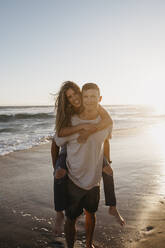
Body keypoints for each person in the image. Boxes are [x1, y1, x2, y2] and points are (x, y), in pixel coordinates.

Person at [53, 82, 125, 248]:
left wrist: (107, 161)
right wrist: (56, 167)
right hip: (74, 180)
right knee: (70, 218)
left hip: (94, 181)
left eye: (93, 97)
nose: (89, 100)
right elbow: (56, 141)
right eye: (86, 97)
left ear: (99, 99)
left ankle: (89, 245)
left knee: (91, 214)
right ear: (82, 98)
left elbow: (106, 141)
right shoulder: (70, 121)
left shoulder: (105, 122)